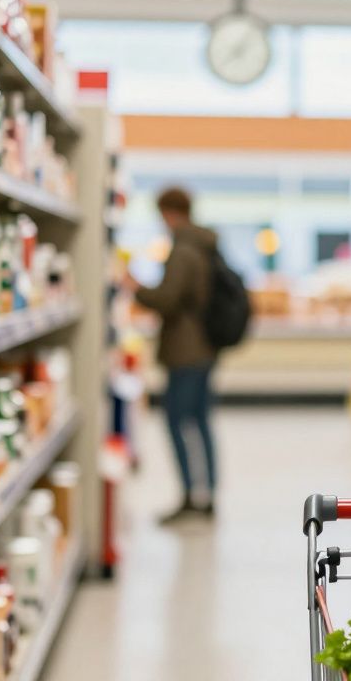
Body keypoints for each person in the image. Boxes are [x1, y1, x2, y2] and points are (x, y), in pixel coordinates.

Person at [129, 187, 220, 522]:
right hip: (205, 346)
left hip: (186, 350)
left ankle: (189, 498)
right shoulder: (204, 244)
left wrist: (134, 287)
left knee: (175, 422)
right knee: (200, 420)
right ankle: (207, 494)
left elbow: (167, 299)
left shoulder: (183, 249)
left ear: (168, 212)